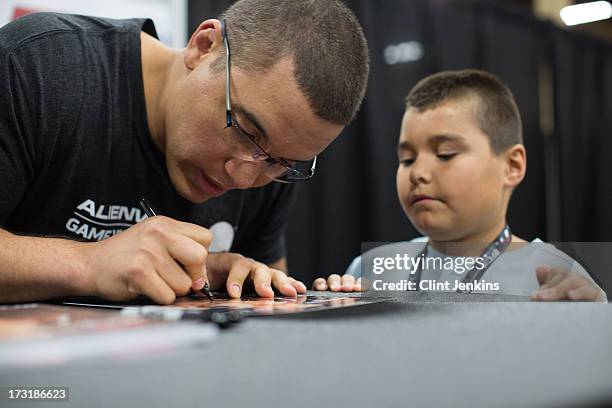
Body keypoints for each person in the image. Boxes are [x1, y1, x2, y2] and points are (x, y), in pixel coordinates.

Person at [0, 0, 369, 304]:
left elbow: (265, 322)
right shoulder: (37, 67)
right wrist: (89, 264)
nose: (241, 178)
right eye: (244, 131)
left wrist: (238, 283)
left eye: (280, 163)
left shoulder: (273, 154)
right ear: (203, 47)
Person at [314, 69, 606, 302]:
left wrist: (590, 322)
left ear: (512, 166)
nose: (418, 173)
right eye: (407, 158)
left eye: (445, 155)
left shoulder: (557, 278)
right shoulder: (372, 267)